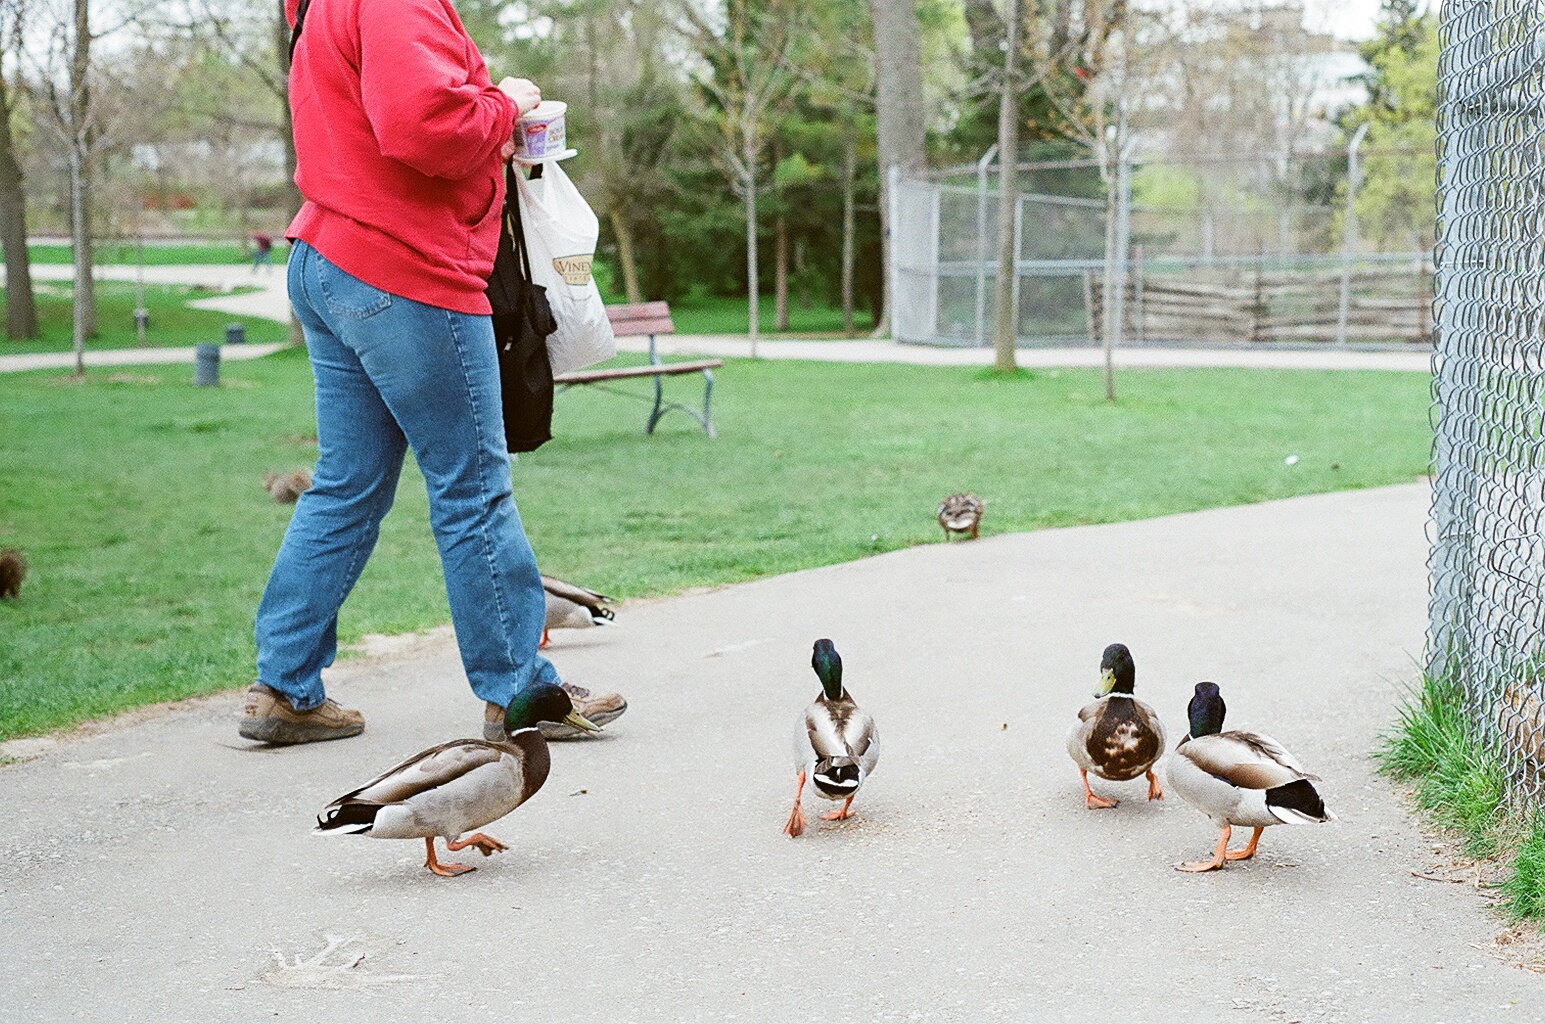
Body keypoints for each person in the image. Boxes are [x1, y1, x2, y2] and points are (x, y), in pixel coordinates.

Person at [240, 0, 625, 745]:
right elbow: (425, 129)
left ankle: (282, 688)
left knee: (347, 483)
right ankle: (518, 693)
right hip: (404, 273)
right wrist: (505, 103)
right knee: (472, 486)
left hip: (330, 257)